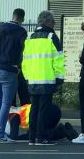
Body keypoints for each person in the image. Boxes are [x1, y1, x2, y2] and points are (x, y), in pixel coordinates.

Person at [0, 8, 27, 143]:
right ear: (22, 19)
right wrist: (18, 66)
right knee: (6, 104)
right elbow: (21, 50)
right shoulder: (21, 32)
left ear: (12, 16)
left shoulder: (0, 28)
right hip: (9, 69)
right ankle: (1, 135)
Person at [21, 11, 65, 145]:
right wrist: (59, 78)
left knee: (34, 109)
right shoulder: (52, 37)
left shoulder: (29, 38)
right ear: (47, 22)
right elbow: (58, 59)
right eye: (53, 22)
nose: (54, 25)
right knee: (43, 109)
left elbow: (25, 61)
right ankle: (41, 137)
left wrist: (27, 77)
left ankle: (31, 138)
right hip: (47, 79)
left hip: (32, 79)